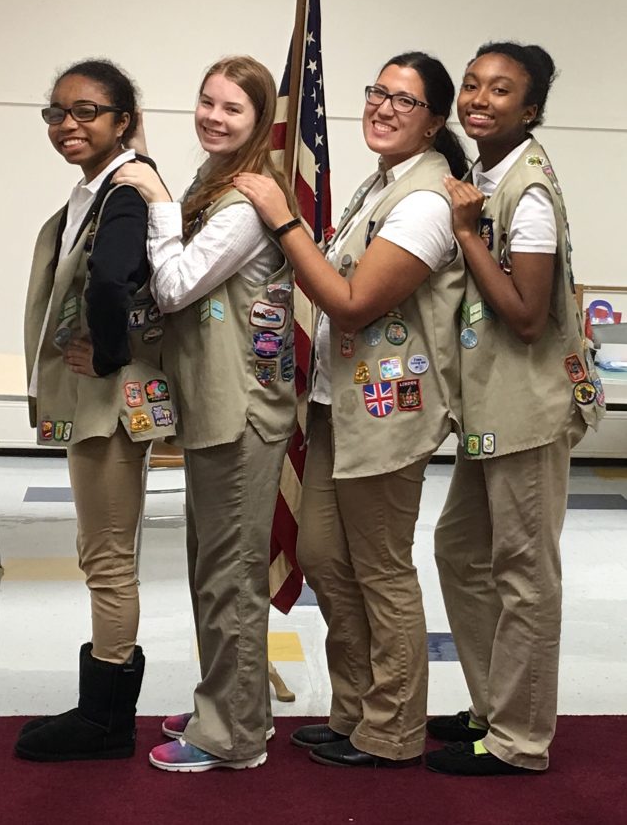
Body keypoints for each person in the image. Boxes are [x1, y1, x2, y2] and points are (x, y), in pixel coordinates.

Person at [235, 51, 467, 768]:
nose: (383, 107)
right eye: (377, 92)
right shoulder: (381, 184)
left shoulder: (425, 200)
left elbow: (355, 302)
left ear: (433, 123)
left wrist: (282, 221)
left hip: (389, 413)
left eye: (405, 100)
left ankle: (393, 729)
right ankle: (355, 708)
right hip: (340, 404)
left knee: (380, 568)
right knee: (322, 555)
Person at [112, 55, 298, 773]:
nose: (213, 117)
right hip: (215, 405)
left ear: (258, 124)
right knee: (214, 568)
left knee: (230, 574)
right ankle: (234, 703)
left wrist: (158, 202)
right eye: (207, 102)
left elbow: (178, 286)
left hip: (242, 411)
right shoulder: (212, 184)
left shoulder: (248, 200)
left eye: (233, 109)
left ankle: (233, 736)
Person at [424, 42, 605, 776]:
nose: (479, 99)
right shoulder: (483, 174)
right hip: (491, 405)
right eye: (472, 84)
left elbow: (528, 315)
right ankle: (491, 705)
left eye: (501, 91)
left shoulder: (523, 190)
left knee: (525, 573)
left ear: (530, 111)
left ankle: (520, 739)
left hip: (530, 406)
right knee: (461, 551)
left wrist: (467, 237)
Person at [16, 60, 175, 762]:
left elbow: (114, 280)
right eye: (56, 112)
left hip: (112, 406)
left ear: (124, 121)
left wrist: (109, 354)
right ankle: (101, 706)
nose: (68, 125)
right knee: (101, 553)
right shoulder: (98, 189)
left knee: (108, 558)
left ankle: (106, 720)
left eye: (86, 112)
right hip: (98, 402)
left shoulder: (125, 192)